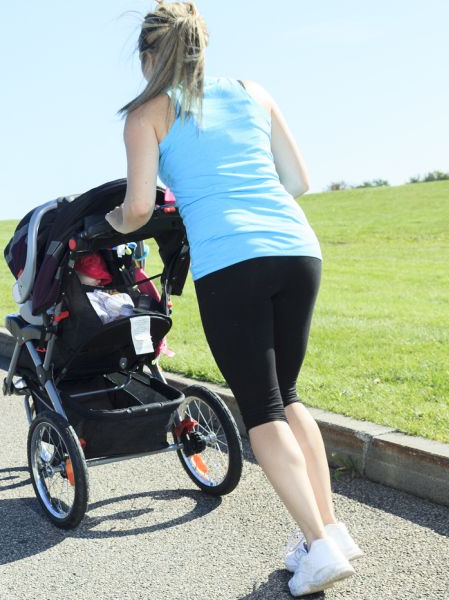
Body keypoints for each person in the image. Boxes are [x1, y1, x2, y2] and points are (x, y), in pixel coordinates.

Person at [104, 1, 363, 596]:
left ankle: (320, 550)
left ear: (149, 55)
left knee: (262, 408)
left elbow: (139, 207)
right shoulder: (252, 90)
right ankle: (328, 530)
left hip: (231, 262)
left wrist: (117, 221)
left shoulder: (147, 112)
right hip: (298, 250)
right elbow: (298, 180)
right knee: (288, 395)